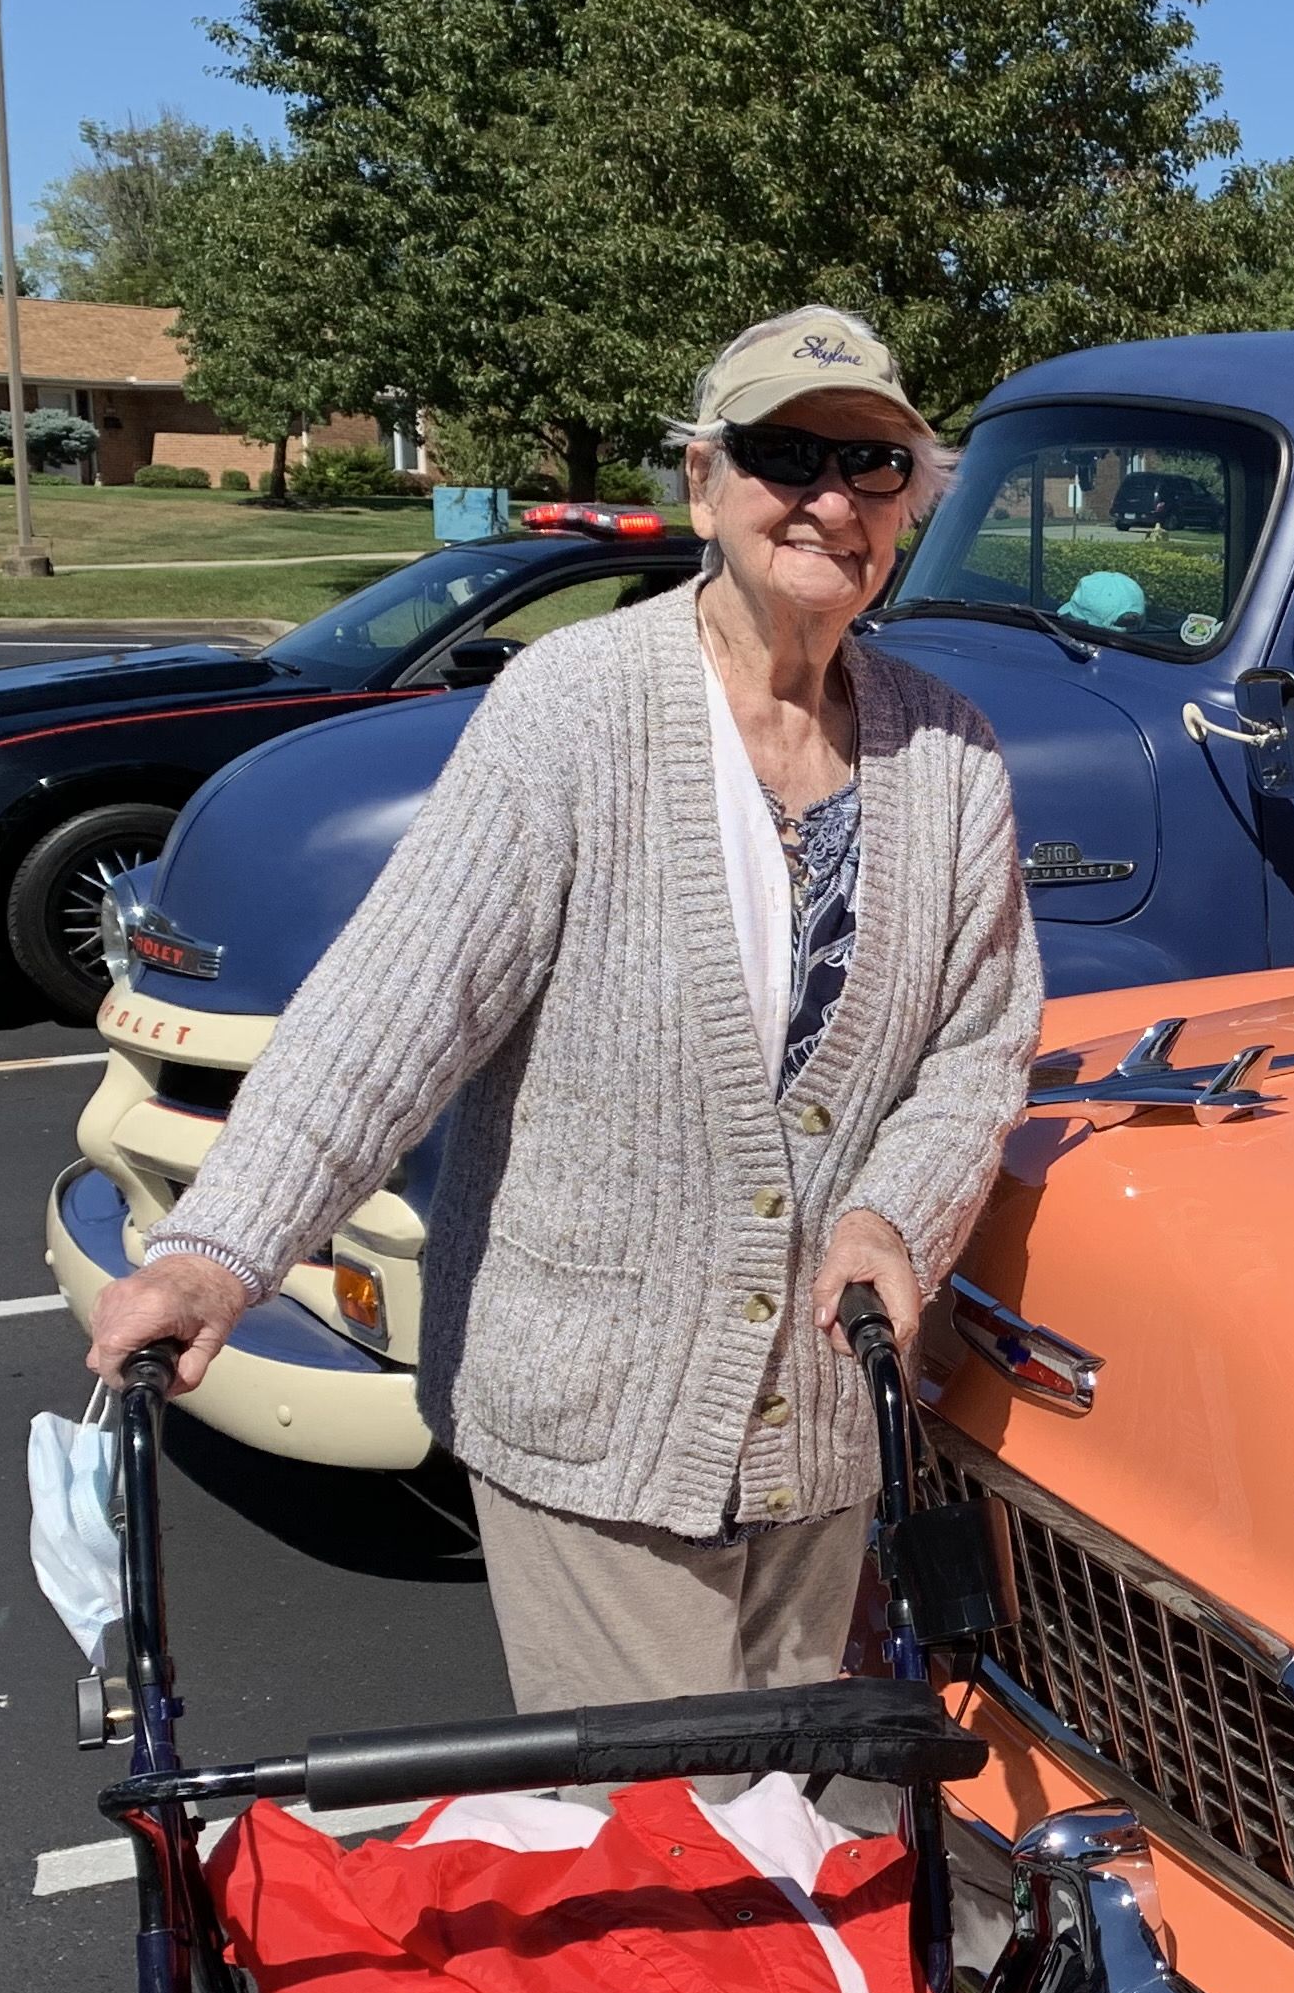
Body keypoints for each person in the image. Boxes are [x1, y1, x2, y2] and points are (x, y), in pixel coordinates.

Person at [84, 304, 1042, 1710]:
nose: (832, 500)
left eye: (875, 466)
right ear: (705, 481)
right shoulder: (574, 708)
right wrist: (219, 1250)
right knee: (650, 1861)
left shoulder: (950, 755)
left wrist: (893, 1212)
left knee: (786, 1838)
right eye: (788, 456)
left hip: (827, 1428)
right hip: (596, 1421)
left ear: (911, 502)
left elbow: (977, 1049)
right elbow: (390, 1013)